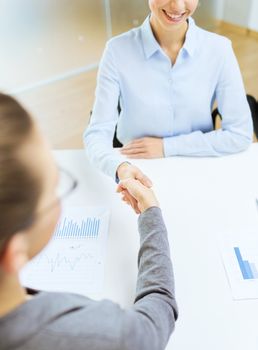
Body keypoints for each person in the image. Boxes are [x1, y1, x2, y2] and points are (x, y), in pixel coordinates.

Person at [0, 93, 178, 350]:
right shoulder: (97, 334)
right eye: (53, 190)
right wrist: (151, 214)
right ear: (14, 252)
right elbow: (153, 323)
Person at [84, 0, 253, 186]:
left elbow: (240, 134)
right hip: (136, 168)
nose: (178, 6)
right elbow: (97, 134)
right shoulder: (117, 51)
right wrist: (119, 168)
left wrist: (166, 147)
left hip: (200, 166)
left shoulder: (219, 50)